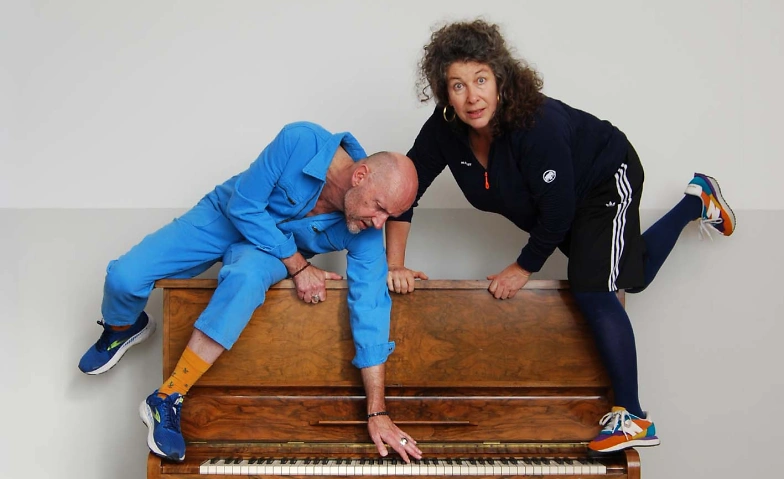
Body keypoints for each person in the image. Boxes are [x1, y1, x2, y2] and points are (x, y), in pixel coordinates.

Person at [385, 20, 735, 454]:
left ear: (500, 79)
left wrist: (522, 268)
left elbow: (558, 211)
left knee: (594, 287)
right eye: (458, 85)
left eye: (481, 80)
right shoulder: (444, 130)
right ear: (444, 92)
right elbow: (404, 190)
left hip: (605, 175)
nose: (472, 96)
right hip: (562, 201)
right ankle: (697, 201)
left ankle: (633, 416)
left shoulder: (535, 124)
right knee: (630, 277)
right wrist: (394, 265)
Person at [78, 121, 424, 463]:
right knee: (124, 277)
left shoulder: (365, 229)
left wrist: (377, 411)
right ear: (360, 176)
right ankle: (123, 327)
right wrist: (299, 266)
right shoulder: (300, 140)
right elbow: (243, 205)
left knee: (246, 279)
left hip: (268, 254)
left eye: (389, 216)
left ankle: (167, 397)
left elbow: (371, 310)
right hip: (226, 217)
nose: (380, 223)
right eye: (379, 208)